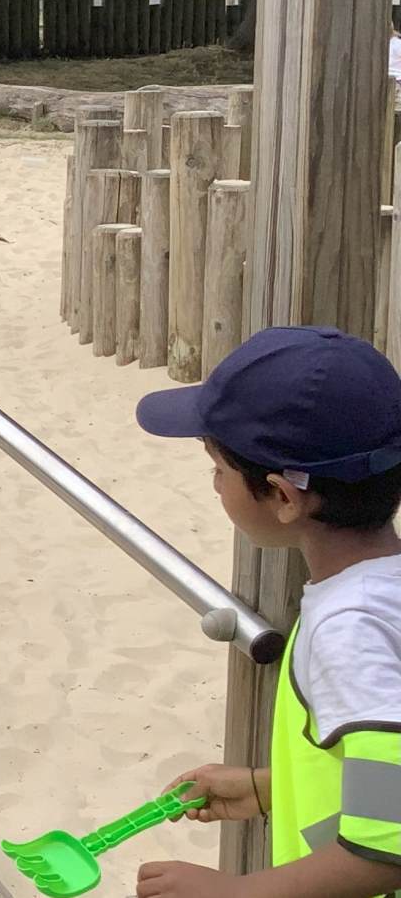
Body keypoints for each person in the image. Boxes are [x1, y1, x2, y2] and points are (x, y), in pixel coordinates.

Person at [134, 326, 401, 898]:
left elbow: (389, 845)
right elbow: (387, 778)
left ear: (282, 497)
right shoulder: (384, 594)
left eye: (219, 471)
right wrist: (268, 787)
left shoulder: (349, 628)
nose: (216, 486)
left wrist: (235, 893)